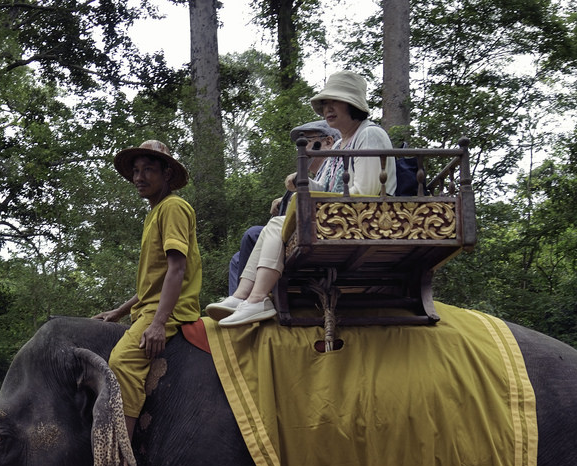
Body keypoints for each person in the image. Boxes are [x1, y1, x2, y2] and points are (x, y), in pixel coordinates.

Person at [215, 71, 396, 327]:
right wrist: (304, 183)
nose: (327, 109)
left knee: (278, 224)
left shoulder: (370, 134)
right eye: (324, 104)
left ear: (353, 103)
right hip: (346, 217)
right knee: (274, 226)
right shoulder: (345, 142)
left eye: (335, 102)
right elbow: (333, 187)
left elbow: (364, 194)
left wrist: (312, 195)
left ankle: (256, 299)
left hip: (367, 220)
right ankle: (242, 296)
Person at [94, 140, 202, 432]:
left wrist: (158, 323)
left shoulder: (173, 207)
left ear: (167, 173)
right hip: (150, 307)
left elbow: (177, 269)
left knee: (122, 362)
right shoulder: (155, 212)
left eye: (149, 170)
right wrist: (118, 311)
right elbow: (153, 283)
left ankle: (121, 451)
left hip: (171, 310)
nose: (139, 177)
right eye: (136, 171)